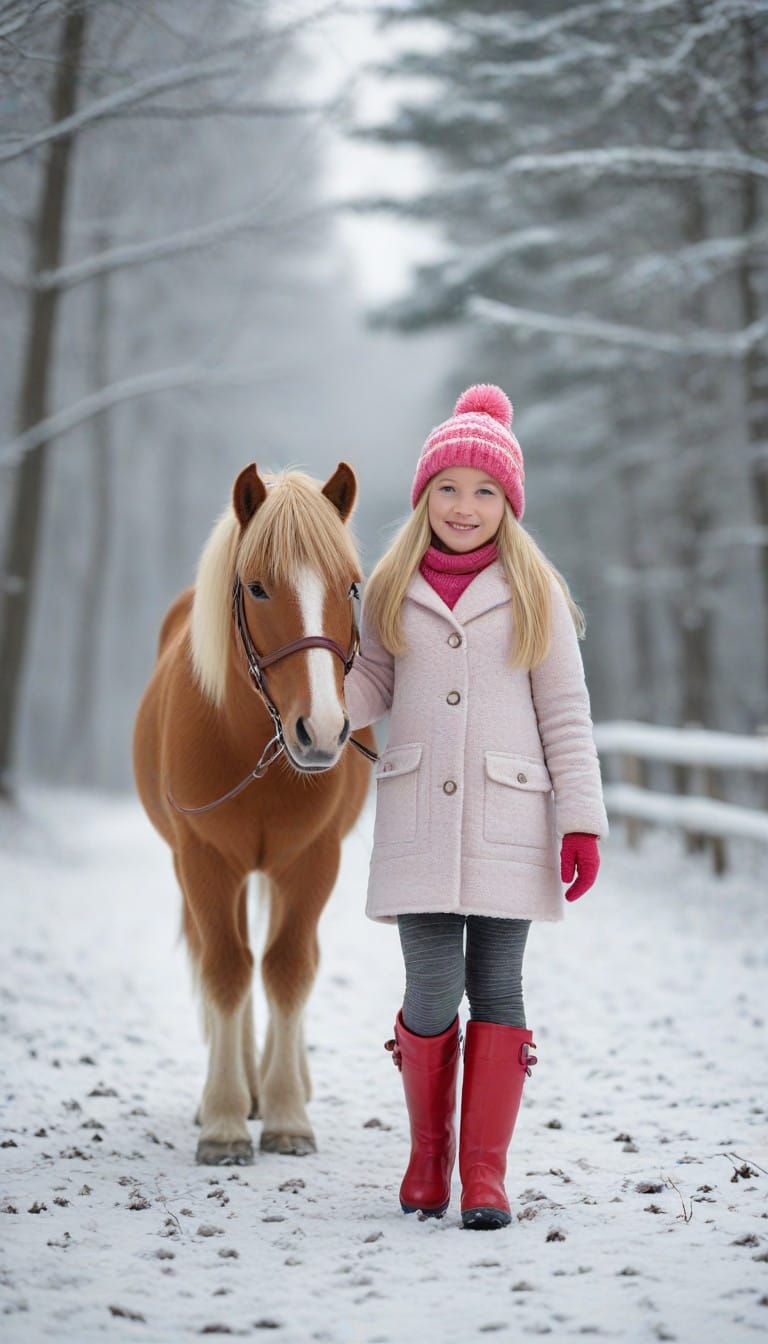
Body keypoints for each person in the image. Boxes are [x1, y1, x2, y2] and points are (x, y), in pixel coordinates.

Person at [343, 383, 608, 1230]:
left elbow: (566, 711)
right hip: (420, 815)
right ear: (425, 496)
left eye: (485, 491)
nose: (465, 507)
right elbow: (373, 682)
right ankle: (428, 1159)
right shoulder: (390, 584)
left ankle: (485, 1175)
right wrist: (316, 711)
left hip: (510, 818)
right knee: (429, 985)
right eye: (450, 489)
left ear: (509, 503)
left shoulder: (534, 591)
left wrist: (580, 820)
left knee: (498, 984)